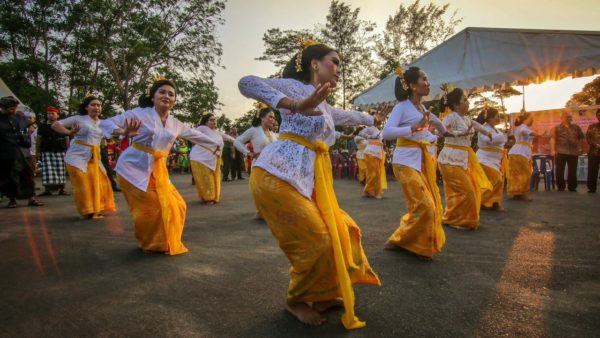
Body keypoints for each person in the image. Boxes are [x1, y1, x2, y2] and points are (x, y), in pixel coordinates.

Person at [238, 40, 383, 329]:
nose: (339, 68)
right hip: (275, 174)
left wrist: (371, 117)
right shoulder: (292, 86)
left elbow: (345, 115)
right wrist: (294, 105)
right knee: (317, 239)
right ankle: (296, 300)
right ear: (314, 63)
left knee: (341, 232)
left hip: (305, 179)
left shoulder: (324, 104)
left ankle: (324, 294)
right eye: (335, 61)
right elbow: (246, 82)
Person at [100, 77, 219, 255]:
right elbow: (105, 123)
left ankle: (165, 241)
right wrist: (123, 132)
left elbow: (195, 136)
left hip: (158, 170)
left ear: (175, 100)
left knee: (178, 205)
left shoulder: (176, 123)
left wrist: (216, 146)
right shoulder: (138, 114)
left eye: (171, 94)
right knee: (152, 207)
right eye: (162, 92)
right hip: (132, 168)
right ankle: (151, 243)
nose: (166, 96)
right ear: (153, 96)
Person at [381, 67, 450, 258]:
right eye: (424, 79)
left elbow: (436, 123)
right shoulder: (401, 107)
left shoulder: (422, 109)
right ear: (412, 85)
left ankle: (408, 241)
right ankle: (400, 240)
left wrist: (446, 132)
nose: (427, 83)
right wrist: (413, 128)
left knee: (427, 206)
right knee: (425, 205)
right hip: (404, 162)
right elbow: (386, 133)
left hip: (421, 162)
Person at [51, 94, 116, 219]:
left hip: (94, 157)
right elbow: (55, 125)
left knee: (99, 182)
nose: (96, 107)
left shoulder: (103, 122)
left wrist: (127, 131)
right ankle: (87, 211)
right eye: (93, 105)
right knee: (83, 183)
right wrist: (69, 132)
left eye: (99, 105)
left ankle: (97, 208)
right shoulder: (78, 118)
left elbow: (117, 130)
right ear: (87, 107)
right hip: (77, 156)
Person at [438, 88, 493, 230]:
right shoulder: (450, 117)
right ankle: (457, 220)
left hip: (462, 159)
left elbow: (477, 125)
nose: (468, 103)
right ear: (456, 104)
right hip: (449, 159)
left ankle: (455, 218)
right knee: (467, 191)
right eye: (465, 100)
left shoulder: (466, 119)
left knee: (468, 190)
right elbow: (441, 131)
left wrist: (488, 133)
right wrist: (461, 132)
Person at [0, 96, 44, 207]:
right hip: (6, 152)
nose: (12, 110)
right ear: (3, 107)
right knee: (9, 177)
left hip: (22, 151)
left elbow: (28, 125)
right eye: (10, 108)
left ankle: (31, 197)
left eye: (14, 108)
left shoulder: (19, 117)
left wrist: (27, 134)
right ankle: (12, 199)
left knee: (27, 174)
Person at [189, 112, 235, 204]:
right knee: (206, 179)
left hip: (214, 159)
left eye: (215, 120)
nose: (214, 121)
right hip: (200, 159)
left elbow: (231, 139)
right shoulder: (202, 128)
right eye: (211, 120)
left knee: (214, 179)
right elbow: (191, 135)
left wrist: (241, 141)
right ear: (206, 122)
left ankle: (211, 197)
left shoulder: (217, 133)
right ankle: (208, 198)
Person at [507, 112, 548, 201]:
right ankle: (522, 193)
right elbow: (524, 131)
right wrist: (539, 134)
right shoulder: (522, 127)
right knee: (524, 173)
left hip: (518, 152)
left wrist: (540, 134)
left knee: (518, 174)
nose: (532, 120)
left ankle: (517, 193)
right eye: (531, 118)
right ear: (525, 119)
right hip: (520, 153)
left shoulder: (523, 127)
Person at [476, 107, 509, 211]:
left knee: (497, 181)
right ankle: (482, 201)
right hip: (484, 160)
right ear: (489, 118)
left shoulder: (496, 130)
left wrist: (505, 134)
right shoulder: (483, 128)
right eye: (497, 116)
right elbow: (489, 140)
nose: (499, 118)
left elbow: (500, 140)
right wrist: (503, 136)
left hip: (494, 161)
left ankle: (493, 202)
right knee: (497, 180)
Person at [37, 106, 69, 196]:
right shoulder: (43, 126)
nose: (50, 115)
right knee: (47, 171)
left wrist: (68, 150)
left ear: (57, 115)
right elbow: (39, 139)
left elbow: (67, 137)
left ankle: (62, 189)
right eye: (48, 114)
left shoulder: (62, 125)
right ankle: (48, 190)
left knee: (61, 170)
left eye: (52, 113)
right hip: (47, 150)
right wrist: (37, 151)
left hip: (60, 150)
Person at [551, 111, 584, 192]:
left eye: (570, 117)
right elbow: (552, 139)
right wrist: (553, 150)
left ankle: (572, 187)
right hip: (560, 151)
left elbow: (580, 138)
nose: (569, 118)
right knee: (559, 170)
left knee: (572, 170)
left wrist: (579, 148)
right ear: (561, 118)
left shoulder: (576, 127)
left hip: (573, 152)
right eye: (567, 117)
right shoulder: (556, 128)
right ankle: (561, 186)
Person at [358, 118, 387, 198]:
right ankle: (375, 192)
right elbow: (360, 133)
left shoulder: (378, 130)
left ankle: (370, 191)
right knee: (373, 173)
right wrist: (370, 136)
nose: (381, 120)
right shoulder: (370, 128)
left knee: (376, 173)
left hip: (378, 152)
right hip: (371, 152)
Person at [586, 107, 600, 193]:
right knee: (592, 170)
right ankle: (592, 188)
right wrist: (595, 144)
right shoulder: (592, 126)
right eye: (598, 115)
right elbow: (588, 138)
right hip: (594, 152)